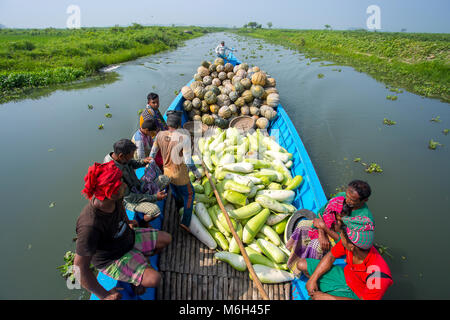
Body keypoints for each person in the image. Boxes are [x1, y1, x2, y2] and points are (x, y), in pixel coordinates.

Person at [74, 161, 172, 300]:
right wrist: (104, 295)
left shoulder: (116, 197)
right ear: (109, 194)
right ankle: (135, 277)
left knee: (166, 239)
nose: (125, 185)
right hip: (113, 257)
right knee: (155, 279)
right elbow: (79, 268)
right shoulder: (89, 225)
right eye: (121, 183)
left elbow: (120, 206)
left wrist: (127, 221)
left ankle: (141, 261)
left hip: (127, 237)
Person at [286, 180, 374, 275]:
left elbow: (348, 244)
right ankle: (294, 257)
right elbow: (322, 212)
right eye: (347, 196)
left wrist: (324, 229)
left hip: (341, 241)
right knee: (302, 225)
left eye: (352, 200)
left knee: (316, 245)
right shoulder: (342, 196)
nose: (347, 200)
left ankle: (309, 271)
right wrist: (321, 232)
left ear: (364, 200)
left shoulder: (363, 220)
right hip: (326, 226)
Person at [296, 215, 393, 300]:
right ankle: (323, 289)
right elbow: (330, 256)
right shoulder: (353, 245)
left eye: (341, 236)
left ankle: (327, 292)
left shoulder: (378, 277)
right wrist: (313, 278)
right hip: (345, 278)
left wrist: (330, 298)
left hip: (356, 295)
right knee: (301, 264)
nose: (340, 238)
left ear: (351, 247)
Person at [149, 111, 202, 232]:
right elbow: (188, 161)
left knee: (175, 192)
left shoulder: (159, 135)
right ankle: (185, 222)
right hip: (180, 175)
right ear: (179, 125)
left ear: (168, 125)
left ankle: (179, 209)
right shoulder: (184, 138)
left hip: (167, 173)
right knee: (189, 195)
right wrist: (197, 174)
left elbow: (152, 155)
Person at [104, 139, 169, 225]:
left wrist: (143, 161)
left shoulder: (120, 156)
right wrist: (154, 197)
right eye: (130, 156)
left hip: (138, 186)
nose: (131, 158)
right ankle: (142, 223)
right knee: (155, 211)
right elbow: (130, 197)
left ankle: (148, 200)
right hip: (130, 200)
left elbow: (132, 163)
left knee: (165, 179)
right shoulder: (113, 172)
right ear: (121, 156)